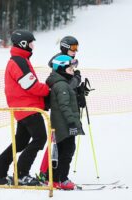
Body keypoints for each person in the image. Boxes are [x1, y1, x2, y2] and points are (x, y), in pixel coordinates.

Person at [0, 30, 49, 186]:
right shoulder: (19, 61)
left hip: (23, 108)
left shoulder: (19, 60)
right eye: (31, 43)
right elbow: (30, 85)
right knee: (40, 138)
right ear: (23, 44)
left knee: (21, 142)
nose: (33, 47)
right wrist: (48, 90)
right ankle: (22, 174)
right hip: (28, 108)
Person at [43, 55, 84, 190]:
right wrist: (72, 123)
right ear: (61, 69)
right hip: (65, 125)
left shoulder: (60, 83)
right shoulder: (62, 85)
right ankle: (62, 179)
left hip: (61, 124)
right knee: (67, 151)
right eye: (70, 69)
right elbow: (64, 106)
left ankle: (53, 178)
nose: (73, 71)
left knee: (60, 152)